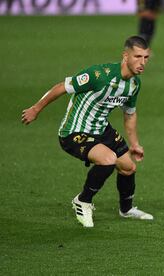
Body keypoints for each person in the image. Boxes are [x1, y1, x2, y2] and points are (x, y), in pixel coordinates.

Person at [22, 36, 153, 228]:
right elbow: (62, 87)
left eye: (146, 57)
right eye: (138, 56)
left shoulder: (134, 84)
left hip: (101, 129)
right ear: (125, 56)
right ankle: (83, 201)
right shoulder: (99, 75)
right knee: (108, 159)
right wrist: (36, 109)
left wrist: (134, 144)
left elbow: (130, 114)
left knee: (128, 167)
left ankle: (126, 210)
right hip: (74, 131)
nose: (142, 63)